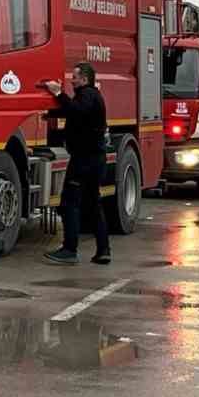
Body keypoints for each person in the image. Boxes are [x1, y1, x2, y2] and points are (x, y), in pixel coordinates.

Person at [42, 62, 112, 266]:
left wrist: (57, 93)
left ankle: (69, 249)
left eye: (74, 77)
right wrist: (50, 114)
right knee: (92, 204)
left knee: (69, 203)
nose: (71, 80)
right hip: (93, 159)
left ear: (84, 79)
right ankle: (103, 250)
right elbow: (76, 114)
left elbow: (77, 110)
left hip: (84, 160)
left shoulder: (88, 95)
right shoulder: (91, 96)